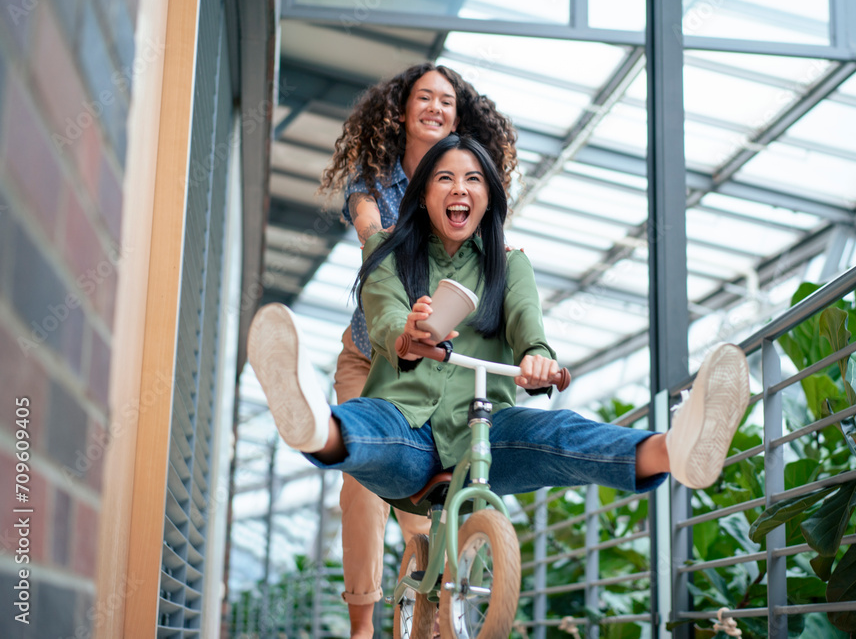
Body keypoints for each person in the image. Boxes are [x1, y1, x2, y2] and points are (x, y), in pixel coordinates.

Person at [248, 135, 751, 540]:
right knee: (367, 424)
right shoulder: (387, 250)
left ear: (489, 197)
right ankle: (312, 425)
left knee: (562, 432)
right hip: (406, 426)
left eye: (473, 179)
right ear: (423, 195)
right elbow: (384, 315)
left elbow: (528, 324)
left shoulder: (510, 265)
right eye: (445, 178)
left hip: (487, 435)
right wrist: (408, 334)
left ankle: (675, 449)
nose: (460, 189)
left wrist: (538, 358)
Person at [316, 63, 518, 638]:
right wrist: (381, 240)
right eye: (424, 97)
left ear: (458, 116)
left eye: (446, 101)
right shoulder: (377, 179)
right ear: (402, 110)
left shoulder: (466, 186)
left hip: (434, 367)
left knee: (425, 495)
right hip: (370, 357)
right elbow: (367, 224)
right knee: (361, 479)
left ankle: (428, 613)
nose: (434, 107)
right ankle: (361, 624)